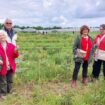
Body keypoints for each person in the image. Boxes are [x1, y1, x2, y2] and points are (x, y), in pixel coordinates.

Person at [0, 30, 19, 99]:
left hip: (10, 66)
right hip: (2, 67)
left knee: (10, 80)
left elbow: (15, 56)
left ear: (6, 36)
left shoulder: (11, 45)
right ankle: (3, 94)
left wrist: (16, 51)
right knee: (3, 81)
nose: (2, 36)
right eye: (0, 35)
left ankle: (10, 91)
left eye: (3, 35)